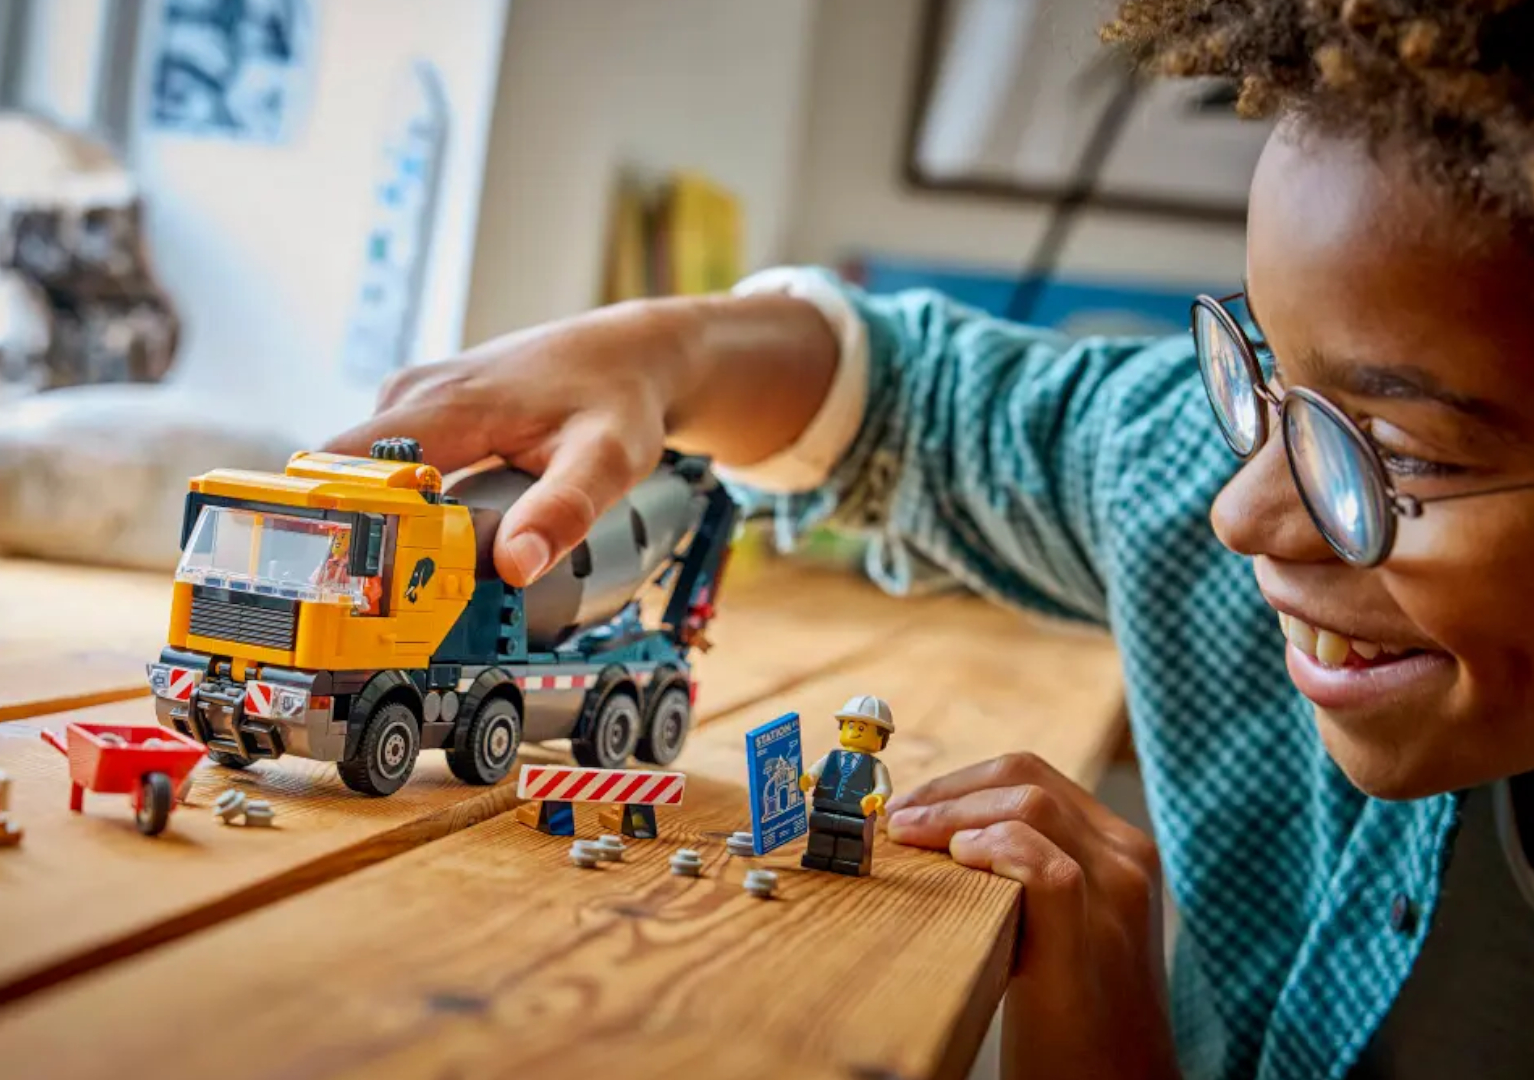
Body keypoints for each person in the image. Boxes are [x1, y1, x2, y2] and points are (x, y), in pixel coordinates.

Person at [327, 3, 1534, 1077]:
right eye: (1258, 369)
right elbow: (919, 399)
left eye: (1406, 451)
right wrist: (673, 351)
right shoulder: (1203, 472)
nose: (1242, 513)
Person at [798, 694, 896, 877]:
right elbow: (815, 771)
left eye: (863, 728)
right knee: (821, 832)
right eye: (851, 726)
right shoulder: (831, 757)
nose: (856, 731)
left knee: (852, 838)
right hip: (825, 804)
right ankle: (818, 856)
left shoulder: (876, 766)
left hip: (857, 811)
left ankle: (850, 862)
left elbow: (884, 787)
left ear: (881, 737)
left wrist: (877, 797)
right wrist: (808, 779)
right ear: (841, 728)